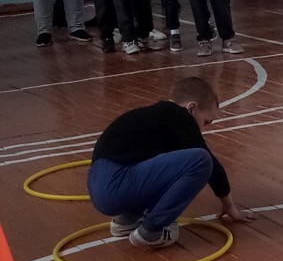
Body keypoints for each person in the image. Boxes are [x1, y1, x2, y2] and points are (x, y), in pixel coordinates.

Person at [88, 76, 252, 249]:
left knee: (166, 168)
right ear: (191, 108)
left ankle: (127, 220)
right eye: (205, 122)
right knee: (201, 160)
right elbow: (212, 165)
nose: (203, 129)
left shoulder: (152, 118)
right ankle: (151, 232)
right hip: (117, 184)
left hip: (99, 186)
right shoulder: (179, 115)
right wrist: (229, 206)